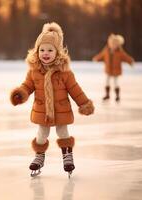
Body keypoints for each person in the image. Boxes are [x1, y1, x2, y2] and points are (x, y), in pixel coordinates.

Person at [10, 22, 95, 177]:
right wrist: (21, 93)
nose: (45, 53)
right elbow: (27, 86)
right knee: (41, 134)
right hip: (42, 111)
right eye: (42, 50)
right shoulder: (34, 71)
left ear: (58, 52)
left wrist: (84, 104)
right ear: (37, 51)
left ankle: (67, 156)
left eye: (50, 50)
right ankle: (39, 156)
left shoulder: (65, 72)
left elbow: (75, 90)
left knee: (63, 132)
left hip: (61, 110)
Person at [93, 34, 134, 102]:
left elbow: (125, 57)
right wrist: (96, 58)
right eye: (112, 44)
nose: (113, 45)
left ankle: (117, 96)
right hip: (108, 69)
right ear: (109, 43)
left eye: (115, 44)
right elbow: (101, 55)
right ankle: (107, 95)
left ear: (118, 45)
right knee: (107, 82)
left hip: (116, 70)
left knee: (116, 83)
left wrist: (130, 61)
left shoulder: (119, 51)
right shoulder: (106, 50)